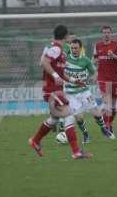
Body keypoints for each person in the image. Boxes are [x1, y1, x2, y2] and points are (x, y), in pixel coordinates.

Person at [28, 25, 89, 159]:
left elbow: (61, 73)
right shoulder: (55, 48)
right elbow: (44, 62)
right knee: (69, 115)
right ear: (66, 36)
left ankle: (35, 140)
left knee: (54, 119)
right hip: (52, 90)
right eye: (69, 36)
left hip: (56, 90)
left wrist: (74, 80)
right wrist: (55, 76)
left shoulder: (58, 50)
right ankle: (76, 151)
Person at [63, 38, 115, 144]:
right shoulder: (66, 60)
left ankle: (104, 128)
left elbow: (95, 72)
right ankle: (86, 135)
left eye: (76, 48)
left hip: (84, 91)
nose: (74, 50)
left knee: (96, 113)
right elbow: (60, 72)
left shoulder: (85, 60)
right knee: (79, 118)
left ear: (80, 48)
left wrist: (93, 78)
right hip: (71, 94)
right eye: (72, 48)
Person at [93, 25, 117, 134]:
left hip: (115, 80)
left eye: (108, 32)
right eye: (104, 32)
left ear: (111, 34)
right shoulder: (97, 46)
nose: (106, 34)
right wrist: (93, 70)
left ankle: (108, 123)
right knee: (107, 102)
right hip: (102, 79)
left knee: (113, 107)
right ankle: (106, 127)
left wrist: (114, 56)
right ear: (102, 34)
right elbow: (94, 59)